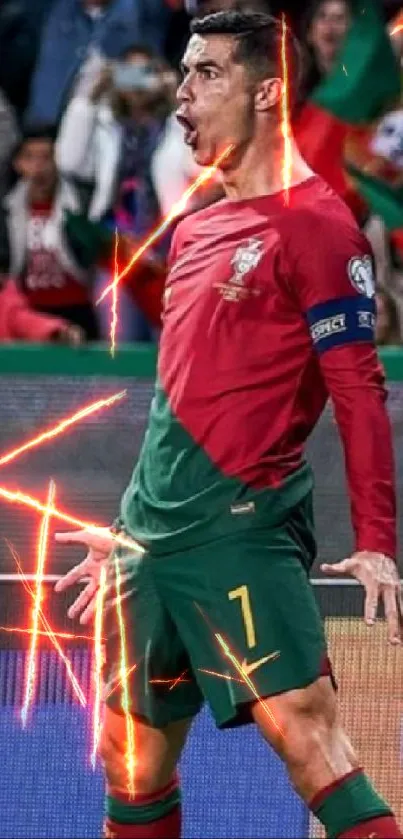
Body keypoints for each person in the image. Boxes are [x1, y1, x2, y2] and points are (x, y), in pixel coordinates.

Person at [55, 11, 402, 839]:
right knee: (129, 757)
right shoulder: (197, 225)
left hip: (241, 531)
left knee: (308, 740)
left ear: (267, 92)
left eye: (206, 73)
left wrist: (377, 535)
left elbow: (356, 386)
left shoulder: (320, 228)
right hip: (153, 539)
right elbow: (177, 400)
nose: (181, 94)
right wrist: (134, 524)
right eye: (183, 73)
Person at [0, 126, 99, 339]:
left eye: (46, 157)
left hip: (78, 308)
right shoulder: (7, 210)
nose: (39, 167)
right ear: (18, 164)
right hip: (28, 310)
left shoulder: (81, 204)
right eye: (30, 158)